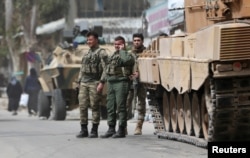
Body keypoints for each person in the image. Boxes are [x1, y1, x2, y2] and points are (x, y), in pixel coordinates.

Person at [101, 36, 135, 138]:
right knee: (110, 106)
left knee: (121, 107)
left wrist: (122, 50)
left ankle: (121, 129)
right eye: (115, 44)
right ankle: (111, 128)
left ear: (123, 44)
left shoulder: (128, 55)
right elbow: (106, 69)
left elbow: (126, 61)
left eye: (119, 44)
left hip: (121, 82)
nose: (117, 46)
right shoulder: (112, 56)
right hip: (111, 82)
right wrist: (102, 82)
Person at [76, 31, 108, 138]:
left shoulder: (101, 52)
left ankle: (94, 130)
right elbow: (82, 69)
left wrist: (102, 82)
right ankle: (83, 129)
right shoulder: (87, 53)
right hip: (84, 82)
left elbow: (106, 69)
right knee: (82, 106)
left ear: (96, 40)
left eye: (90, 39)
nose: (88, 41)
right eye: (87, 39)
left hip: (95, 82)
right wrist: (79, 81)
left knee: (95, 106)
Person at [126, 33, 147, 135]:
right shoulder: (129, 54)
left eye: (138, 40)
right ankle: (123, 126)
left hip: (142, 82)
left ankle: (139, 126)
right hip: (130, 82)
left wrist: (140, 73)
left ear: (142, 41)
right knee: (126, 103)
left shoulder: (147, 53)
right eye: (135, 40)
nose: (136, 42)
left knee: (141, 104)